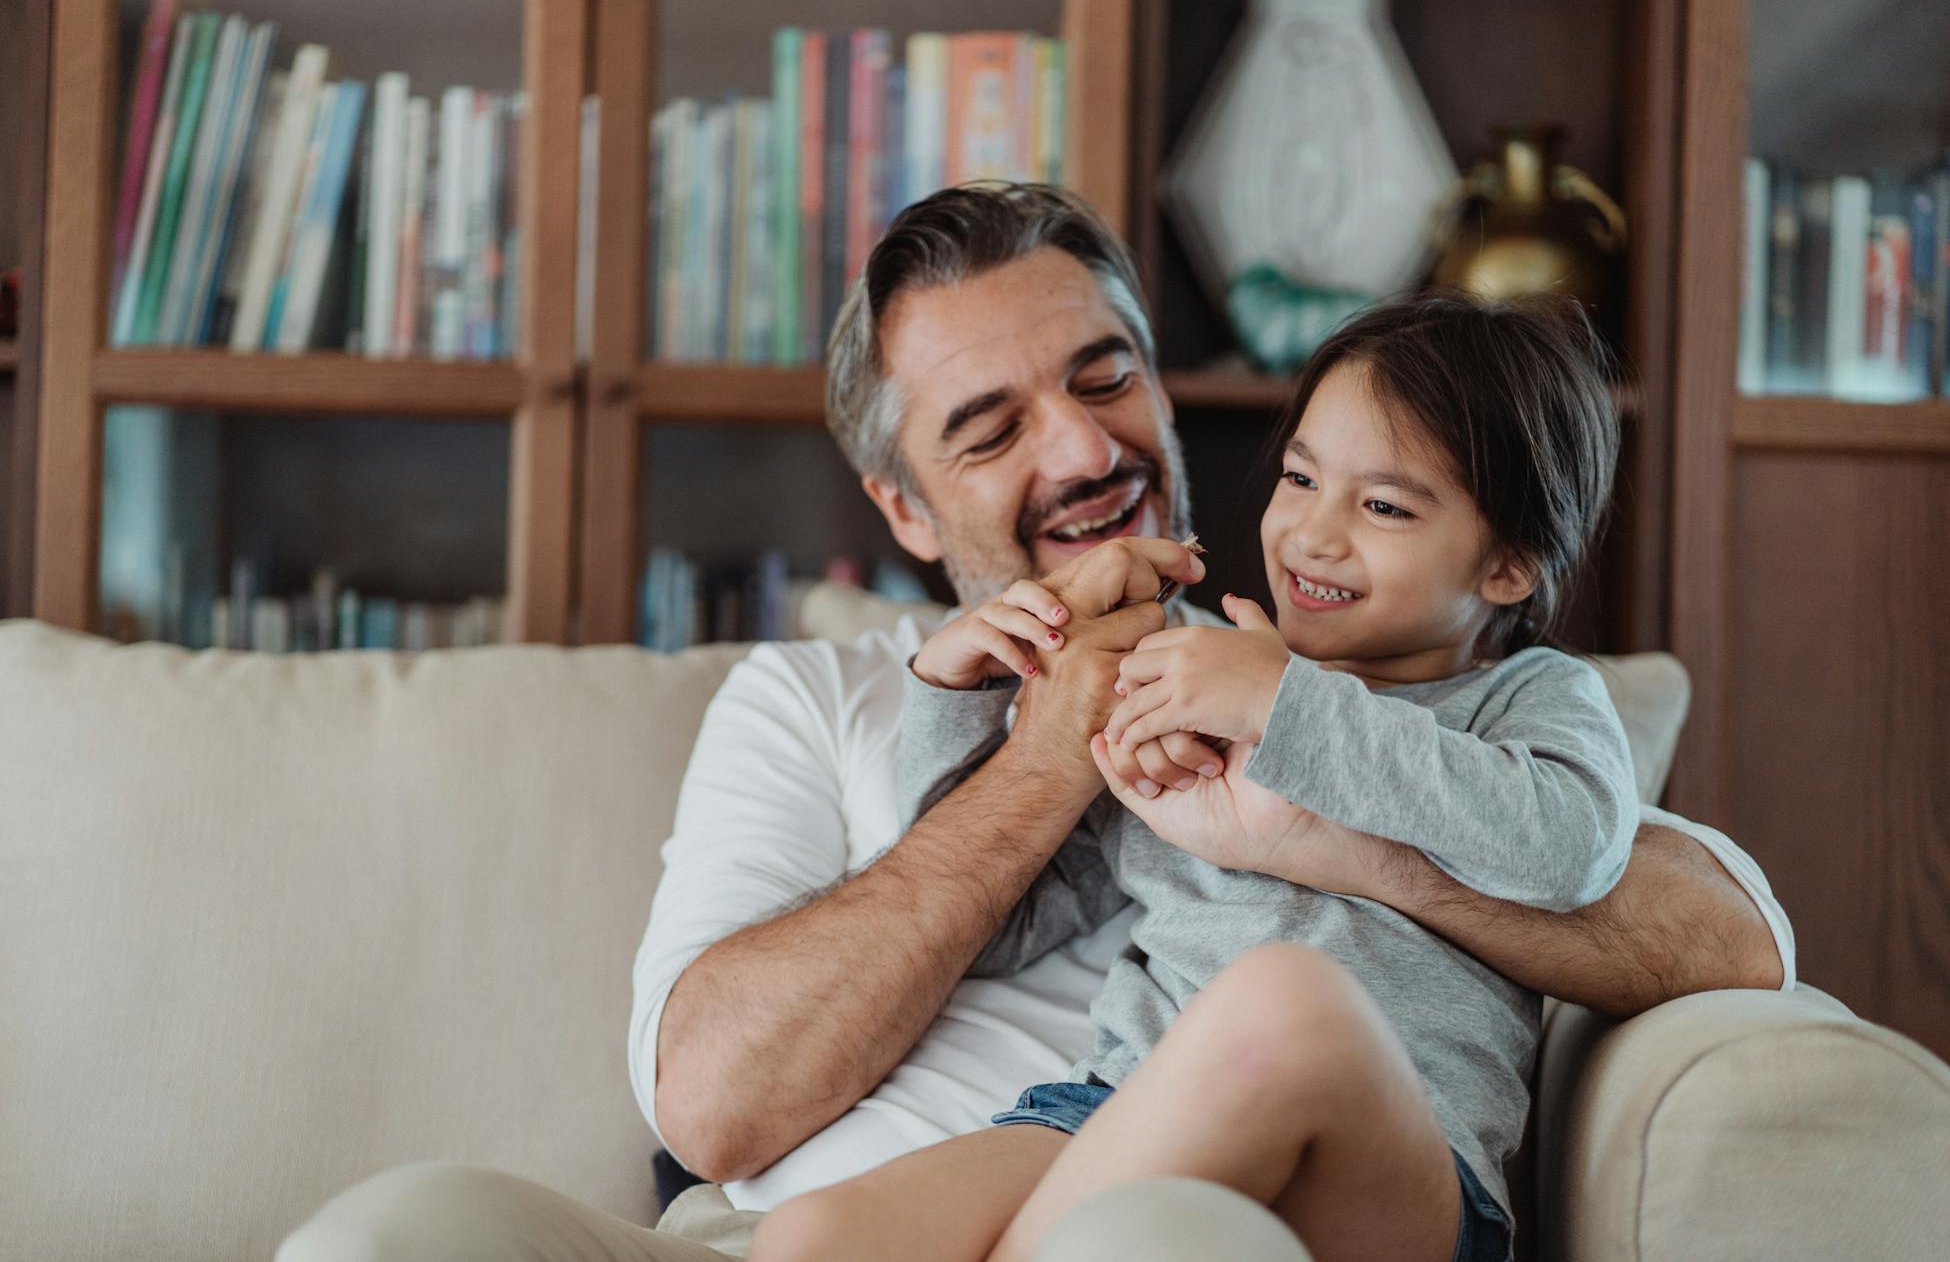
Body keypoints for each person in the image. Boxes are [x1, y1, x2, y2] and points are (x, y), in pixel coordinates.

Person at [277, 186, 1794, 1262]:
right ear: (900, 506)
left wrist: (1300, 789)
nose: (1080, 449)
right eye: (989, 430)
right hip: (1030, 1149)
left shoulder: (1389, 688)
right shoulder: (824, 696)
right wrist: (1023, 731)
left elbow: (1706, 934)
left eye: (1103, 377)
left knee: (1267, 1030)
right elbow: (718, 1101)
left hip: (1240, 1188)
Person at [749, 291, 1638, 1262]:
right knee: (817, 1232)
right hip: (1113, 1113)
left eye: (1382, 505)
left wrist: (1284, 705)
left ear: (1509, 565)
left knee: (1286, 1002)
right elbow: (994, 931)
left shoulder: (1529, 698)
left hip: (1394, 1171)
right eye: (1299, 476)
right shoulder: (1191, 677)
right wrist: (964, 695)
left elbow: (1572, 849)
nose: (1311, 533)